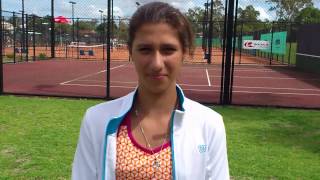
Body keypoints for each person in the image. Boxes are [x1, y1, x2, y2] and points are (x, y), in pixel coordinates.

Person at [72, 2, 229, 179]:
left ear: (184, 52)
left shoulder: (209, 124)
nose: (156, 64)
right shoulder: (96, 120)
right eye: (145, 50)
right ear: (131, 51)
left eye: (168, 50)